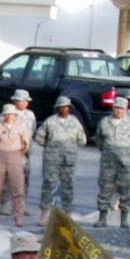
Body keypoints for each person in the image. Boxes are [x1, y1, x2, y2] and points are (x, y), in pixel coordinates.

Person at [34, 96, 86, 224]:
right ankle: (45, 213)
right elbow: (39, 138)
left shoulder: (75, 122)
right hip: (51, 159)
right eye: (61, 107)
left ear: (69, 108)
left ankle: (67, 213)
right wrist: (51, 148)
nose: (64, 109)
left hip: (68, 160)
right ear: (57, 108)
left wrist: (70, 148)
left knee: (67, 186)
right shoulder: (50, 121)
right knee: (49, 185)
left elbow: (82, 140)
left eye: (66, 107)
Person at [94, 97, 130, 229]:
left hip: (125, 164)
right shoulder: (104, 122)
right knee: (105, 190)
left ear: (126, 110)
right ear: (113, 108)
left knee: (125, 191)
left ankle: (124, 219)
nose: (118, 111)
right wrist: (107, 152)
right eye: (116, 108)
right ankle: (102, 218)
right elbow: (99, 140)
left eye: (121, 108)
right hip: (108, 163)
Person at [0, 104, 29, 226]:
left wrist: (18, 154)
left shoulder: (21, 127)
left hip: (15, 156)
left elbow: (25, 144)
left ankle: (18, 217)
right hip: (0, 156)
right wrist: (0, 152)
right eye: (7, 114)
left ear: (15, 115)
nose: (9, 116)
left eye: (11, 114)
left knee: (17, 188)